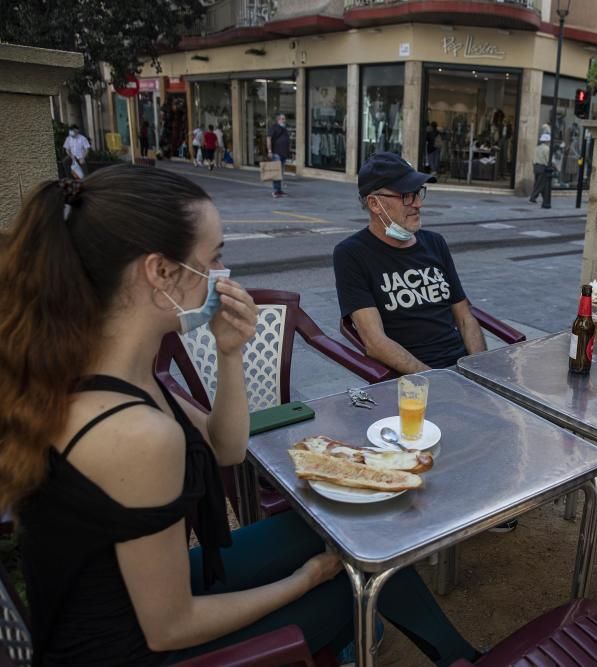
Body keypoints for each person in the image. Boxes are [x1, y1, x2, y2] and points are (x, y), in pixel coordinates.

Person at [0, 165, 481, 666]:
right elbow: (169, 627)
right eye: (214, 259)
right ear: (160, 272)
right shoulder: (135, 433)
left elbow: (227, 447)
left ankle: (458, 657)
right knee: (355, 587)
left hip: (127, 596)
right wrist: (302, 582)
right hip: (128, 648)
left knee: (350, 531)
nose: (222, 277)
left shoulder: (105, 366)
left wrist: (230, 354)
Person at [333, 153, 516, 533]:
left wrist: (477, 370)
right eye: (406, 196)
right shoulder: (352, 254)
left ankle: (482, 497)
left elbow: (465, 316)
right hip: (408, 380)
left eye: (419, 192)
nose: (417, 203)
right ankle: (452, 508)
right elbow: (374, 342)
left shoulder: (434, 244)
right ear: (375, 203)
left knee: (517, 416)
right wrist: (438, 379)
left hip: (459, 368)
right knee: (459, 422)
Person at [266, 113, 291, 198]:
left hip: (283, 154)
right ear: (278, 119)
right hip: (276, 153)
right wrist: (269, 151)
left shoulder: (284, 128)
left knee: (280, 173)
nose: (284, 120)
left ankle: (279, 190)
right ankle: (276, 191)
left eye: (284, 119)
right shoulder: (274, 128)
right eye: (282, 119)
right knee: (276, 173)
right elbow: (268, 138)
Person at [528, 133, 551, 204]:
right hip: (542, 167)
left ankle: (545, 199)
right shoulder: (547, 149)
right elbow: (548, 160)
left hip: (536, 167)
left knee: (540, 183)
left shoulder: (537, 148)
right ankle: (533, 197)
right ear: (547, 141)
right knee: (540, 184)